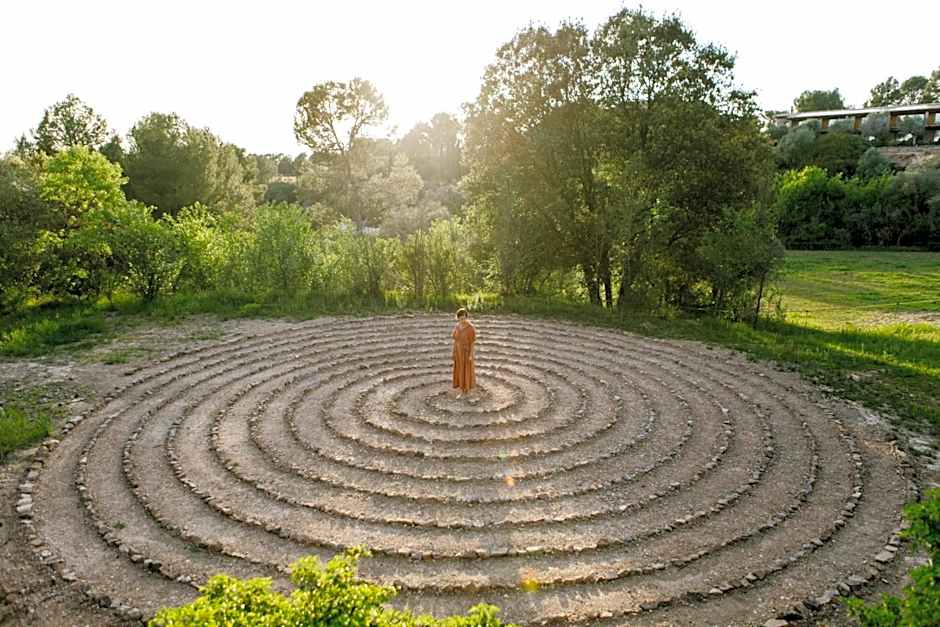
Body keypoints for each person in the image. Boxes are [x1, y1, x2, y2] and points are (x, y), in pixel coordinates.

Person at [451, 308, 476, 398]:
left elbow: (472, 342)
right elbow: (455, 341)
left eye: (464, 318)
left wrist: (470, 355)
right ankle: (461, 388)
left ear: (466, 317)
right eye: (460, 318)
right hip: (458, 352)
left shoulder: (470, 328)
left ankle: (466, 390)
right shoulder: (457, 327)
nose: (462, 320)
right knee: (460, 370)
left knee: (466, 370)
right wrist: (454, 352)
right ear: (457, 318)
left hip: (466, 352)